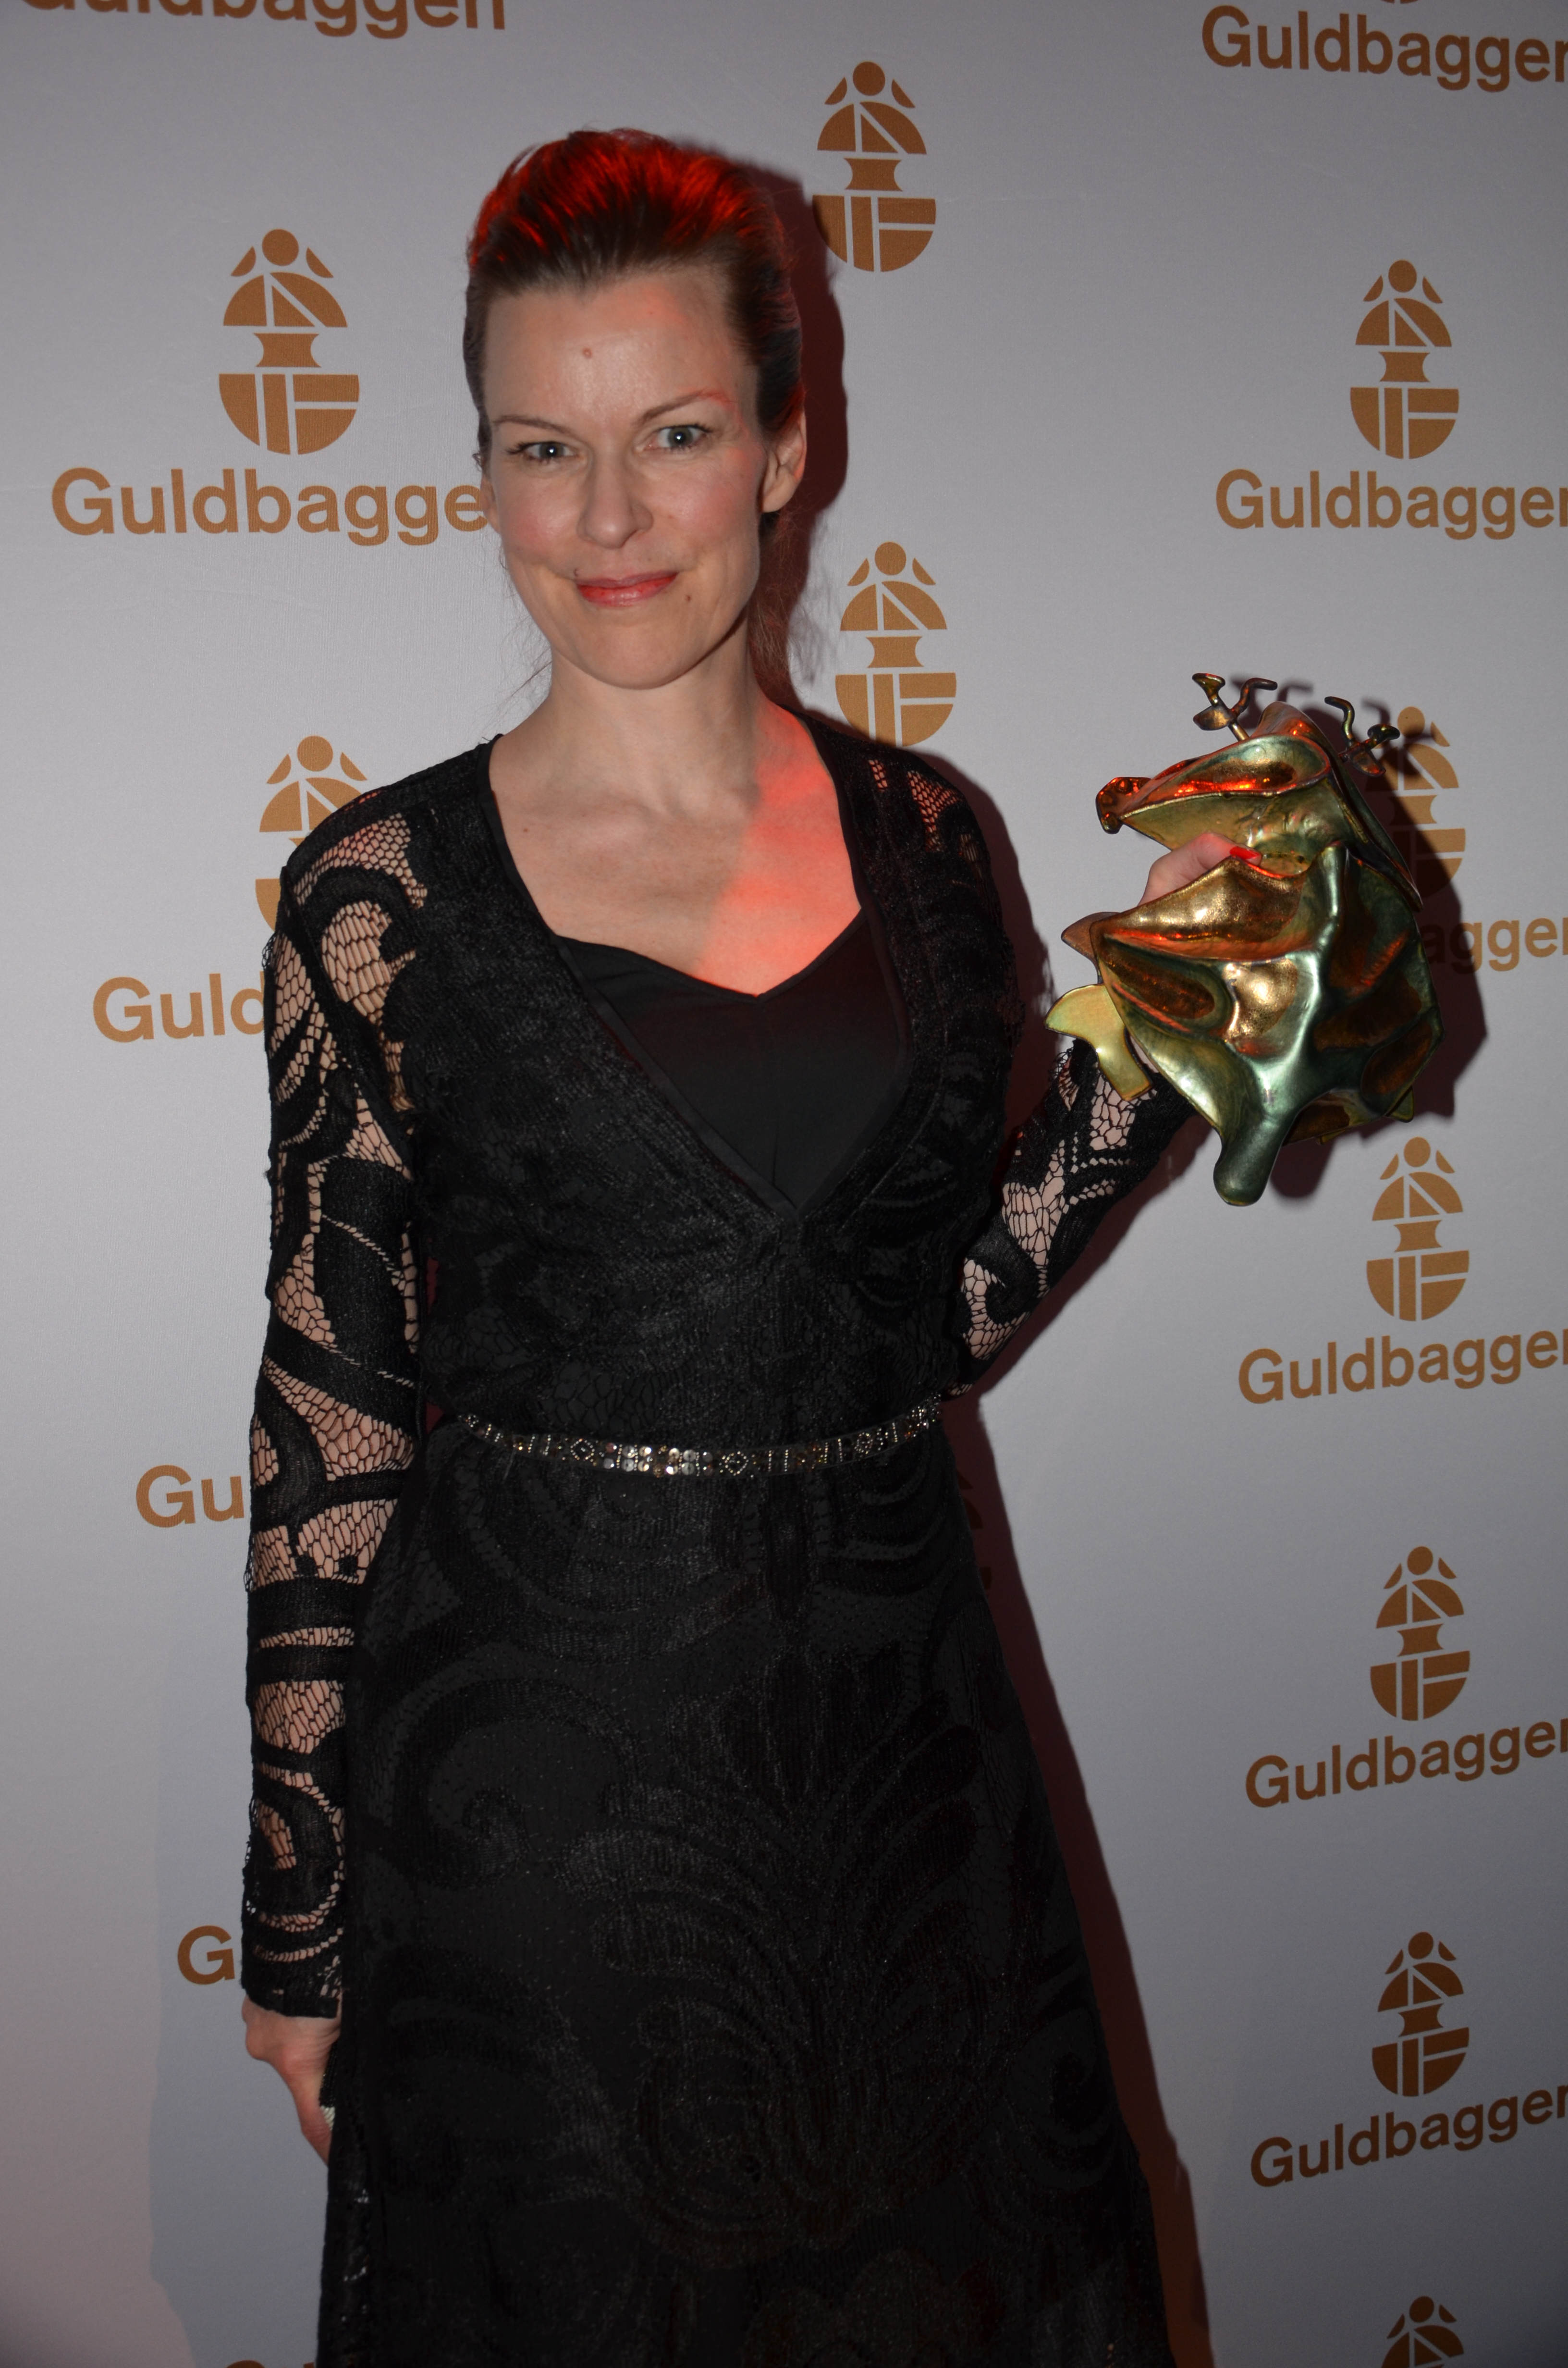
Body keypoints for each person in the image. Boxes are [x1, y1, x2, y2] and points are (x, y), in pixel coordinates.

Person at [239, 127, 1226, 2368]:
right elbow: (330, 1405)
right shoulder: (376, 896)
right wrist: (300, 1906)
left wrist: (1171, 1041)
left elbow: (929, 1310)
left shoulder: (936, 836)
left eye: (674, 435)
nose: (607, 518)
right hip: (537, 1802)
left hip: (911, 1780)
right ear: (485, 470)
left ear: (785, 446)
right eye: (541, 447)